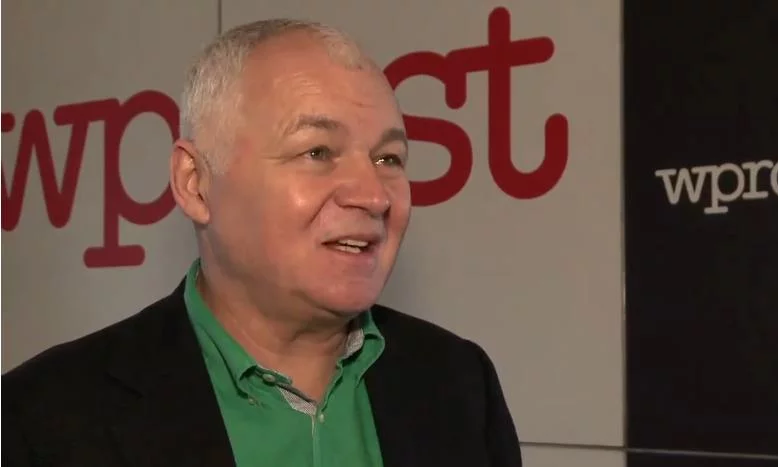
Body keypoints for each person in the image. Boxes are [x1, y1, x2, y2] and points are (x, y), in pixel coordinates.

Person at [2, 18, 521, 467]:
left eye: (389, 159)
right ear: (195, 183)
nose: (373, 195)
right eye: (318, 152)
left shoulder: (459, 384)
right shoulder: (40, 419)